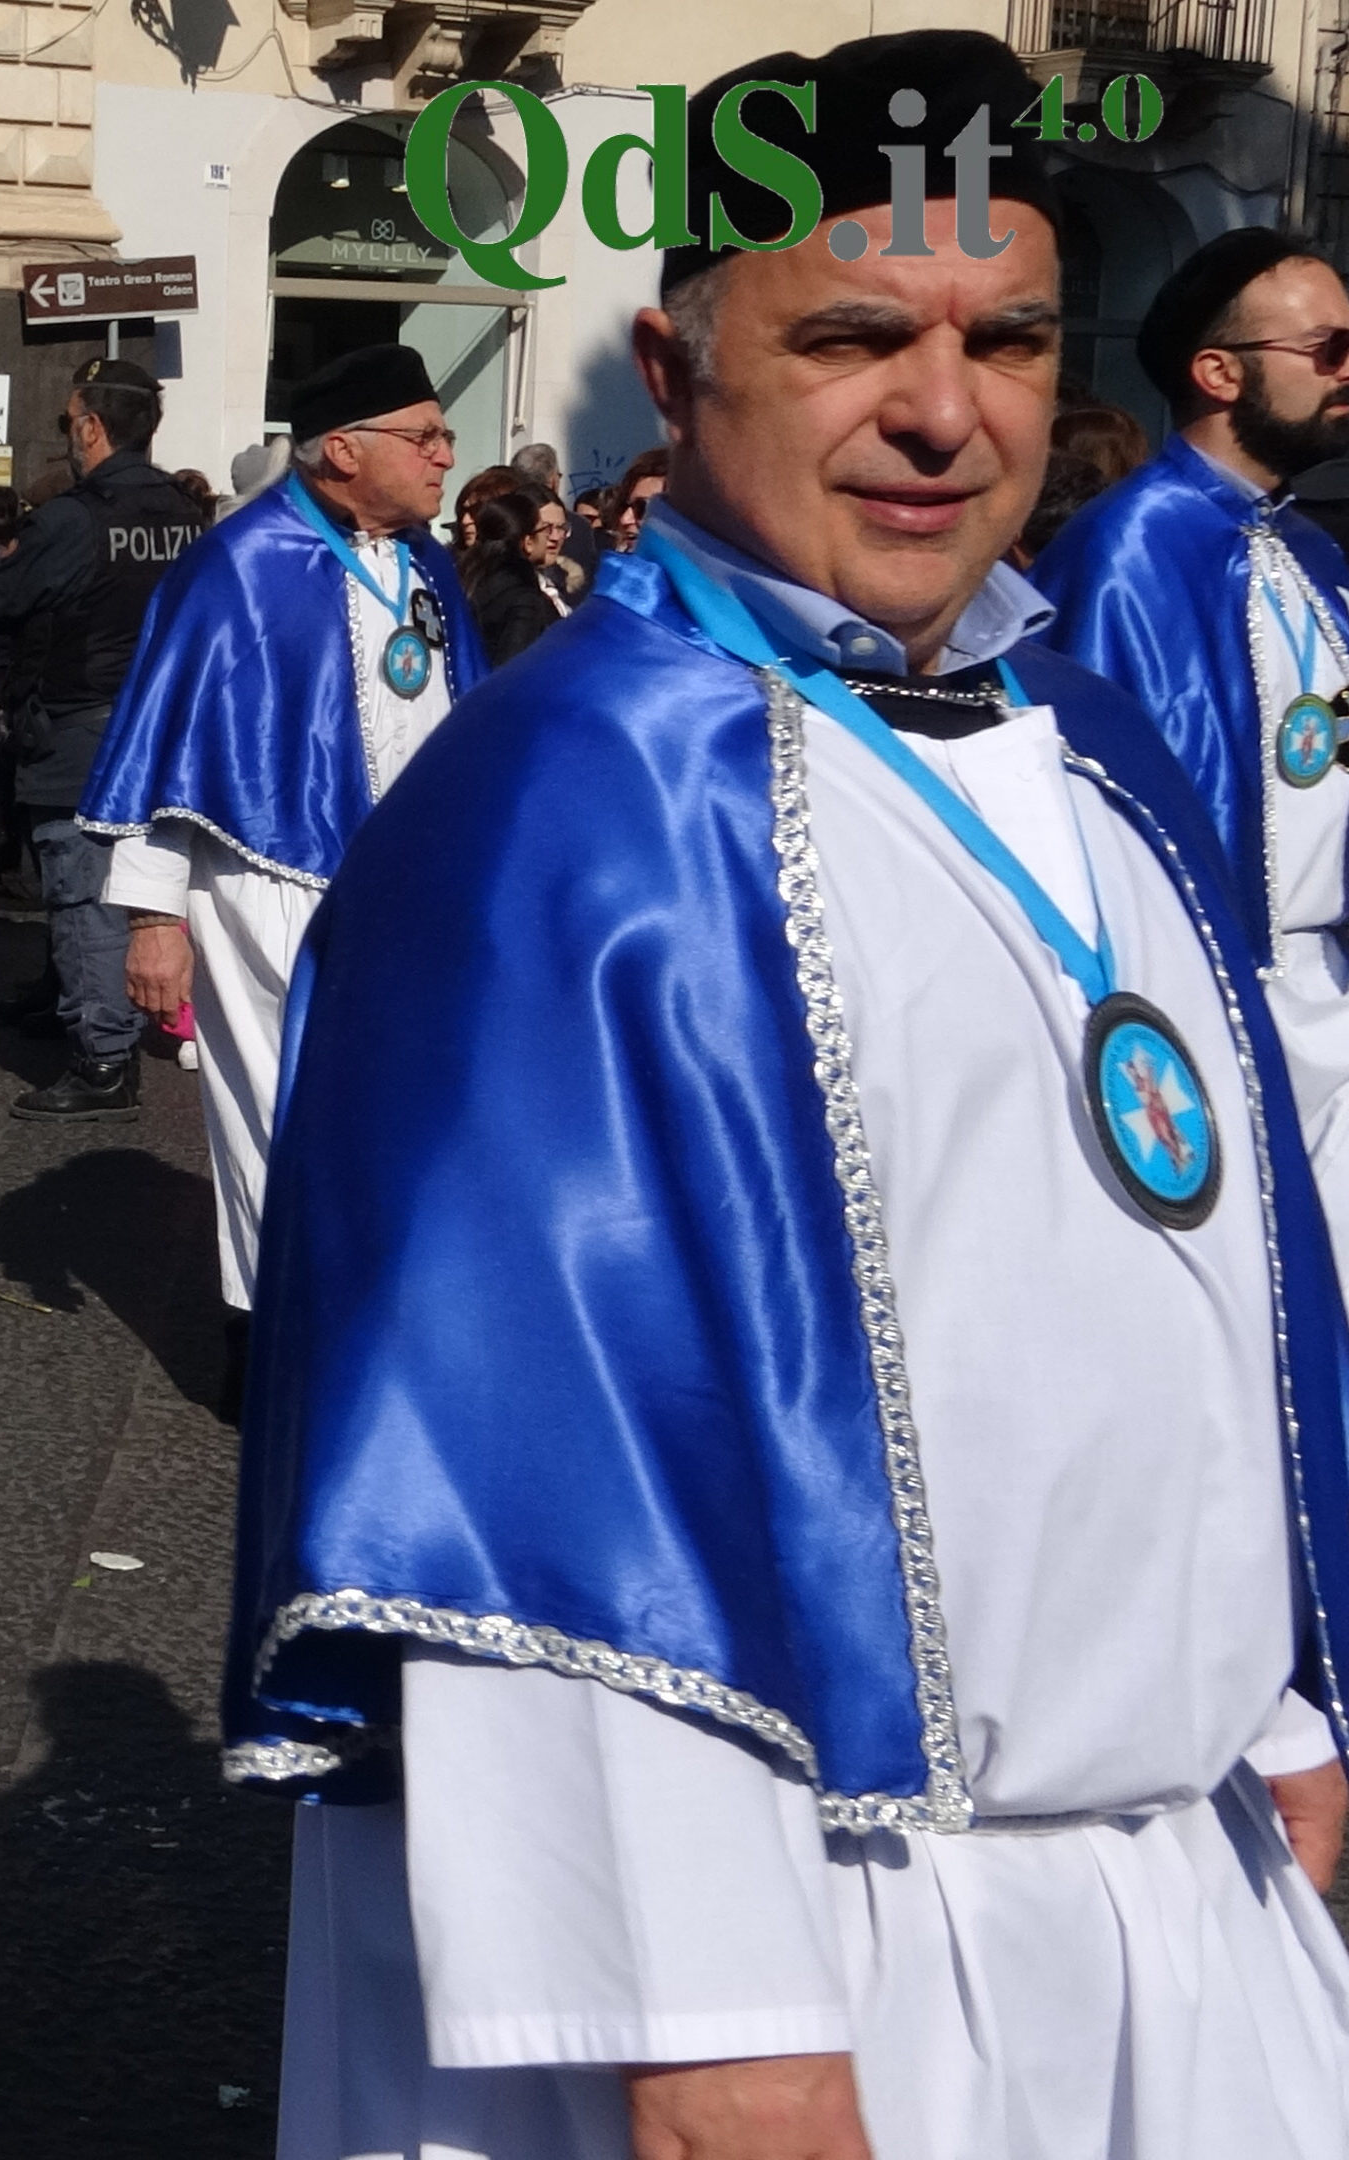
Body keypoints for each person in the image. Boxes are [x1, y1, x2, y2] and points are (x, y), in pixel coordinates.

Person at [241, 34, 1349, 2160]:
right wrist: (703, 2015)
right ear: (675, 368)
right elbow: (539, 1468)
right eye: (853, 336)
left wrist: (1290, 1701)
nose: (945, 413)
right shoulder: (568, 823)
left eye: (1008, 337)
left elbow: (1209, 1284)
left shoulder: (1093, 738)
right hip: (813, 1941)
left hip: (1172, 1882)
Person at [79, 343, 479, 1324]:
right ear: (342, 448)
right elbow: (163, 748)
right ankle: (276, 1341)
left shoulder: (426, 564)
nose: (444, 457)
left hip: (408, 891)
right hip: (273, 881)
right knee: (281, 1118)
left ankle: (376, 1322)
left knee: (399, 1115)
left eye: (444, 436)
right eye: (425, 436)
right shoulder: (239, 566)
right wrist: (152, 920)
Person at [1035, 229, 1349, 1276]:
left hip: (1329, 986)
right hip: (1218, 992)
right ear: (1220, 372)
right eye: (1331, 350)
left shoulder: (1310, 548)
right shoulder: (1129, 549)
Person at [0, 359, 206, 1122]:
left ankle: (102, 1055)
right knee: (123, 882)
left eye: (69, 421)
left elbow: (3, 602)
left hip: (83, 725)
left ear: (90, 426)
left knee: (83, 889)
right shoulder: (182, 510)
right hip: (158, 722)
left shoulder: (73, 519)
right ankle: (69, 997)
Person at [458, 489, 558, 663]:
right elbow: (513, 669)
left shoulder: (464, 577)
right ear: (528, 542)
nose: (551, 536)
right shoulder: (524, 597)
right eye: (545, 528)